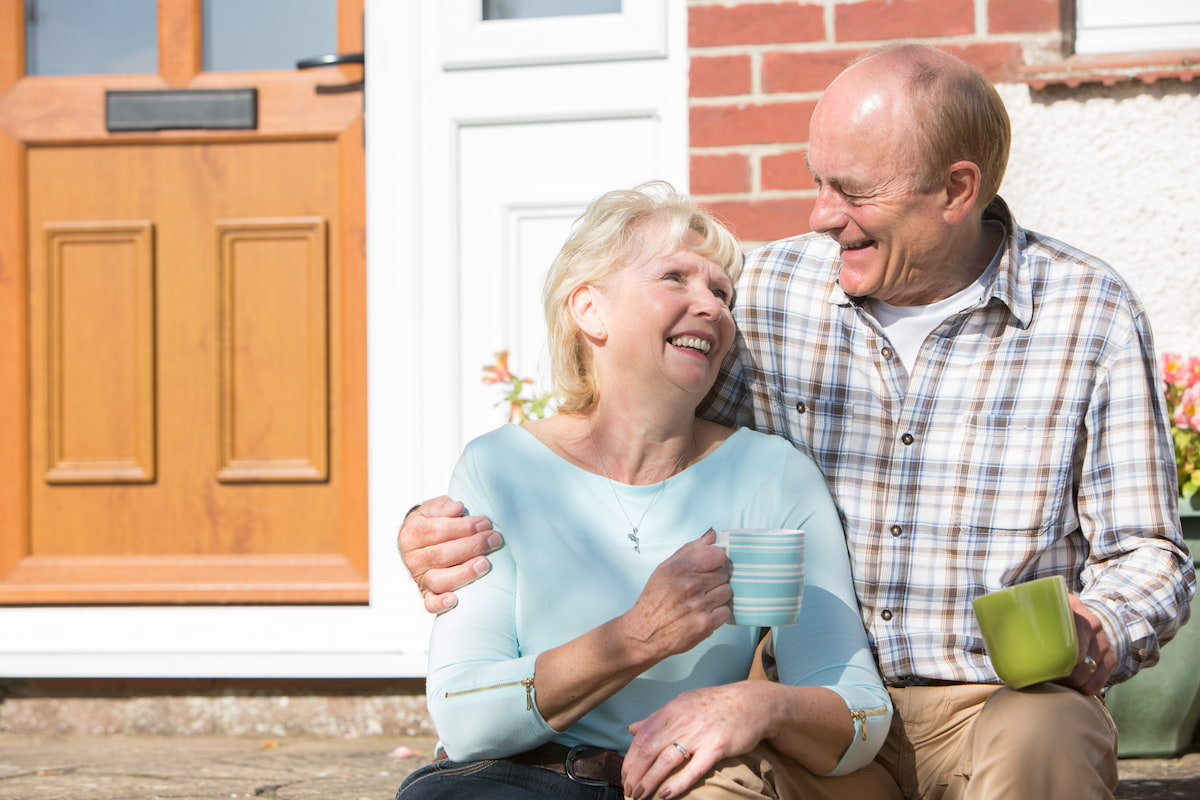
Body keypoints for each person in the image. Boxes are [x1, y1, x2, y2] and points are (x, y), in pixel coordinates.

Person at [400, 44, 1196, 800]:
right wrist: (442, 531)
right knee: (704, 775)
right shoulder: (770, 292)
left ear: (956, 191)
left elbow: (1150, 553)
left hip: (996, 704)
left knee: (1045, 733)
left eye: (851, 191)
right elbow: (639, 428)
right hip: (807, 710)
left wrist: (1102, 624)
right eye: (818, 181)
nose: (821, 214)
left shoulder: (1086, 311)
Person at [395, 183, 898, 800]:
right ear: (589, 310)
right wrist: (636, 636)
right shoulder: (502, 468)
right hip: (519, 783)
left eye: (721, 293)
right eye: (675, 278)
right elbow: (464, 718)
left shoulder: (770, 477)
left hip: (693, 787)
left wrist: (760, 705)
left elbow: (859, 712)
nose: (711, 307)